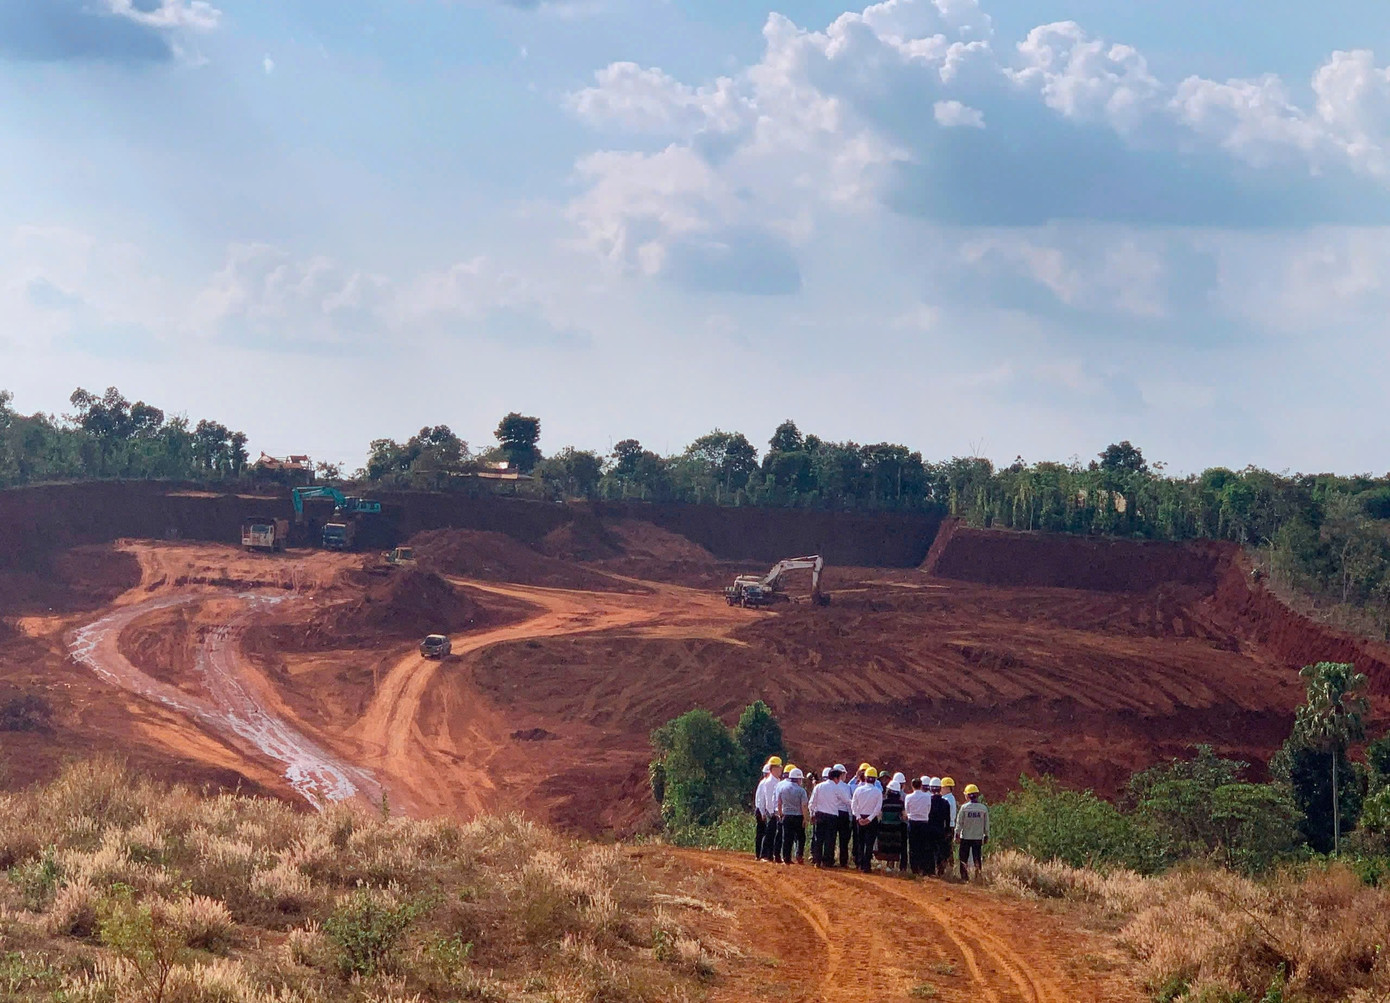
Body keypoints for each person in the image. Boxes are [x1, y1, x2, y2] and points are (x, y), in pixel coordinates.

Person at [850, 767, 883, 872]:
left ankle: (860, 864)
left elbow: (853, 805)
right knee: (869, 843)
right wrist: (869, 819)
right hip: (871, 820)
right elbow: (878, 808)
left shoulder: (858, 790)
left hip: (860, 818)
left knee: (860, 842)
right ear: (875, 779)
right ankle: (866, 865)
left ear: (865, 777)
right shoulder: (878, 792)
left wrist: (859, 817)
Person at [809, 767, 842, 867]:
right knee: (830, 840)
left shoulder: (819, 786)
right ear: (836, 778)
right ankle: (827, 861)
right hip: (832, 817)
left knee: (818, 839)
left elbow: (812, 802)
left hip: (820, 815)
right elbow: (846, 800)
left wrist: (812, 814)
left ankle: (817, 861)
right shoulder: (837, 788)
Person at [955, 784, 989, 881]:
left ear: (967, 795)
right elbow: (986, 824)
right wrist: (986, 835)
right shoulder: (983, 808)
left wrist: (956, 834)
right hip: (978, 837)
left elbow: (959, 823)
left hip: (965, 837)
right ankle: (978, 877)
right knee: (977, 858)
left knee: (963, 858)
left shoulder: (964, 808)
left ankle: (964, 878)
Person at [776, 767, 809, 864]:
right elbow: (804, 805)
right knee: (801, 837)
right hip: (798, 817)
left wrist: (781, 813)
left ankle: (786, 858)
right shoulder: (801, 791)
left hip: (786, 816)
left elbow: (779, 803)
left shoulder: (782, 788)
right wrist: (805, 818)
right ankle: (799, 855)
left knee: (787, 838)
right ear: (798, 779)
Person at [877, 773, 908, 871]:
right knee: (894, 846)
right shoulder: (901, 803)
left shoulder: (884, 802)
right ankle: (890, 865)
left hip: (884, 826)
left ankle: (882, 863)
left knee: (883, 844)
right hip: (896, 827)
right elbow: (904, 816)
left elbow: (879, 814)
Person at [755, 757, 784, 861]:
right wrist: (772, 813)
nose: (781, 769)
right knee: (769, 834)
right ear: (774, 769)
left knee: (775, 835)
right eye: (779, 767)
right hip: (772, 813)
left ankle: (771, 855)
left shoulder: (778, 781)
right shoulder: (769, 782)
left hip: (776, 812)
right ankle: (765, 855)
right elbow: (768, 799)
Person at [903, 777, 933, 876]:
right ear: (921, 786)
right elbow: (928, 809)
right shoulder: (927, 797)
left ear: (912, 786)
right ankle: (923, 868)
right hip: (924, 823)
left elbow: (907, 810)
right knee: (923, 846)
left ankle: (914, 869)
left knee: (913, 846)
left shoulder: (908, 797)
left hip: (912, 823)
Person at [924, 776, 953, 877]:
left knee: (929, 850)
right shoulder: (945, 802)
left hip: (929, 829)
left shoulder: (928, 801)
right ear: (940, 788)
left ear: (930, 788)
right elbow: (948, 819)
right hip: (940, 829)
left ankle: (930, 871)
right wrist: (947, 830)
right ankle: (940, 870)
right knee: (939, 850)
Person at [833, 763, 853, 868]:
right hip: (843, 814)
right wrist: (850, 817)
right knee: (843, 840)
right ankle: (843, 862)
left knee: (831, 838)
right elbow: (848, 803)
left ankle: (829, 859)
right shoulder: (846, 787)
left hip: (833, 813)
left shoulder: (830, 785)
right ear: (841, 774)